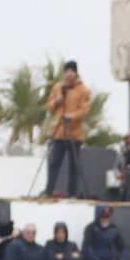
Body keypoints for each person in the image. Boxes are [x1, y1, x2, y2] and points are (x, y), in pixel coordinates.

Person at [44, 61, 91, 197]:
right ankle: (48, 191)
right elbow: (49, 105)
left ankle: (72, 193)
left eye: (71, 70)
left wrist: (72, 116)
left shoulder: (84, 90)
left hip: (74, 133)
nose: (68, 73)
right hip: (59, 132)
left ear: (75, 72)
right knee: (54, 164)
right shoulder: (58, 87)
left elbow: (84, 110)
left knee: (73, 166)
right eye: (66, 71)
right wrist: (56, 101)